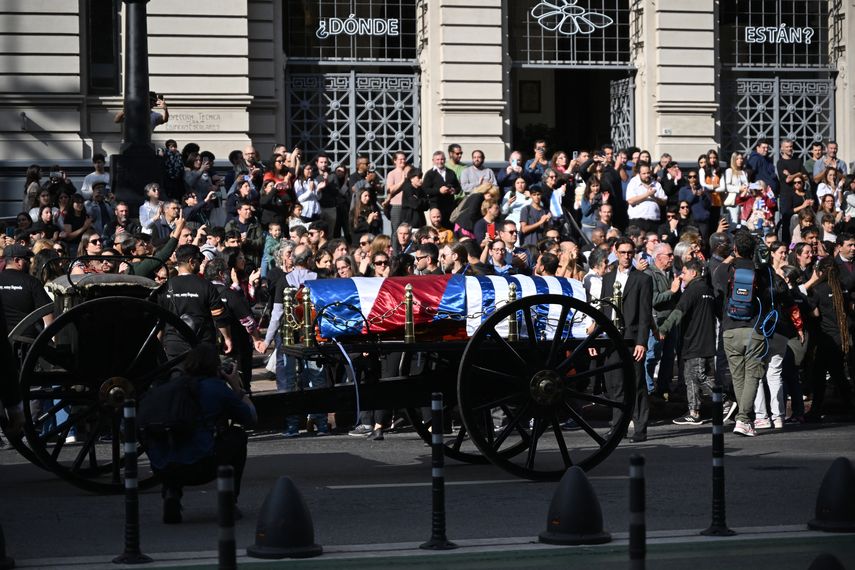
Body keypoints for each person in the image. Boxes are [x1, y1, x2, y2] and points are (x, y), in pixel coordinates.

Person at [145, 343, 256, 524]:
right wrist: (236, 387)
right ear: (216, 367)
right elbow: (250, 418)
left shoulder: (169, 389)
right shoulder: (216, 388)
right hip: (201, 463)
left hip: (163, 467)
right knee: (238, 436)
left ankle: (171, 492)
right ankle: (229, 500)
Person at [657, 259, 732, 424]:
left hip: (696, 341)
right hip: (702, 340)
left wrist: (663, 329)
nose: (681, 276)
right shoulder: (707, 290)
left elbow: (678, 312)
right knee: (690, 376)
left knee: (698, 375)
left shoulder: (692, 290)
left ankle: (725, 400)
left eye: (684, 272)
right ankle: (694, 412)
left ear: (693, 272)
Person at [600, 237, 653, 443]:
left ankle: (640, 429)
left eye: (630, 252)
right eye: (622, 252)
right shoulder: (607, 278)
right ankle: (618, 427)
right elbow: (604, 310)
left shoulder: (643, 279)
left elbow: (645, 314)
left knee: (636, 384)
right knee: (615, 385)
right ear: (616, 252)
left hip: (632, 339)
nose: (626, 256)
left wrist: (642, 342)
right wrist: (597, 339)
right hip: (611, 339)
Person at [158, 244, 232, 359]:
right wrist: (227, 338)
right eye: (199, 260)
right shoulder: (206, 285)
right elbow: (219, 316)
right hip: (202, 345)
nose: (201, 263)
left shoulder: (165, 287)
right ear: (191, 262)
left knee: (177, 371)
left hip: (174, 345)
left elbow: (160, 321)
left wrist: (159, 344)